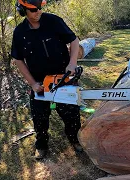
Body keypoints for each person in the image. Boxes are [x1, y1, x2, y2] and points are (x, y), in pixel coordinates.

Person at [11, 0, 82, 160]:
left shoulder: (53, 21)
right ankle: (41, 145)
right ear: (23, 10)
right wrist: (33, 83)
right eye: (34, 10)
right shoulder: (20, 32)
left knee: (71, 114)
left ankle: (75, 140)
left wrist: (72, 64)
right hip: (40, 83)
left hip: (62, 78)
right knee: (39, 118)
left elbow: (74, 40)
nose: (38, 12)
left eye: (40, 8)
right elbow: (18, 60)